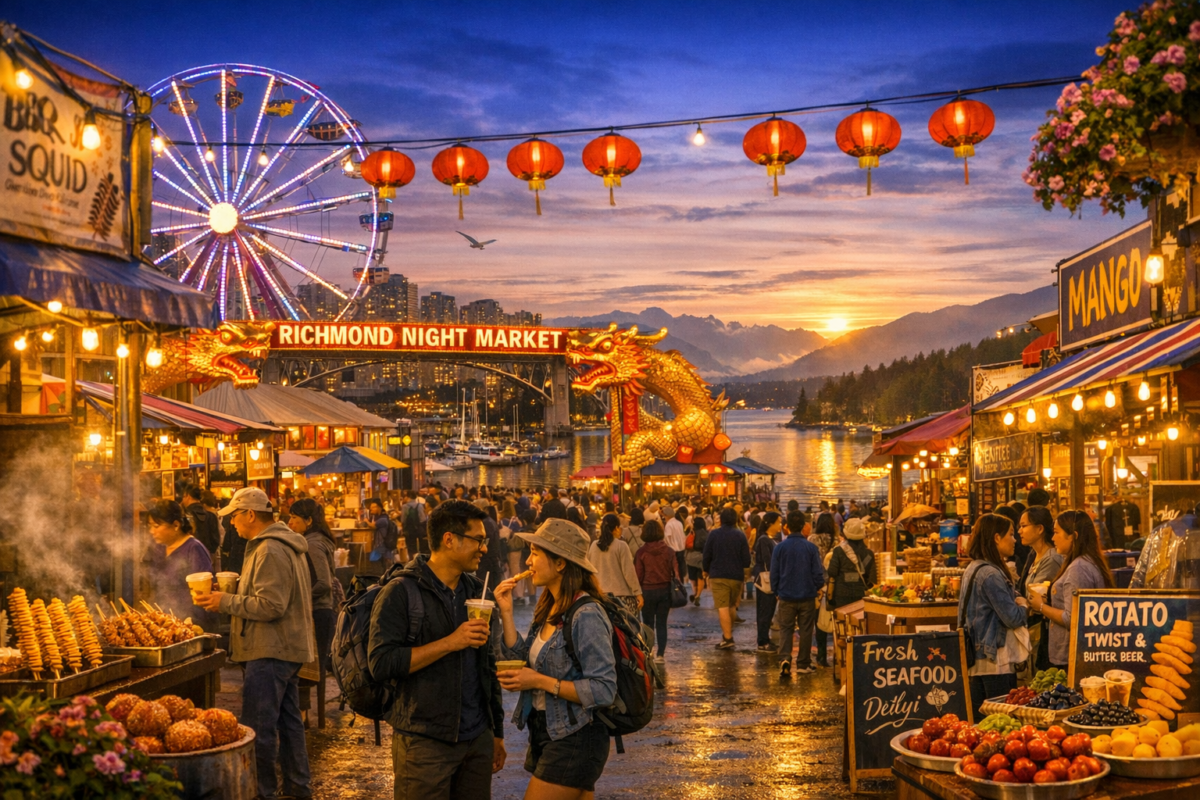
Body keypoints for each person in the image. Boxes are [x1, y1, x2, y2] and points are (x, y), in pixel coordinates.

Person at [366, 499, 506, 800]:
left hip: (476, 738)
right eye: (478, 540)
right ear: (449, 539)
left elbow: (488, 666)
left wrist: (496, 732)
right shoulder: (401, 592)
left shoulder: (475, 590)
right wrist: (450, 642)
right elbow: (381, 663)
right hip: (424, 742)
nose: (484, 548)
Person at [193, 488, 315, 800]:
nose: (230, 523)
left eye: (234, 515)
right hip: (285, 647)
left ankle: (261, 793)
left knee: (259, 729)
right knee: (289, 725)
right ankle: (298, 789)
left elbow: (271, 606)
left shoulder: (270, 549)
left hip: (270, 648)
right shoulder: (277, 544)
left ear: (250, 514)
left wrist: (225, 600)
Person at [493, 519, 617, 800]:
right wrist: (507, 613)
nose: (528, 561)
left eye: (536, 553)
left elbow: (604, 689)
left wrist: (538, 681)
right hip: (548, 732)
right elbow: (523, 660)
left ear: (560, 563)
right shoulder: (549, 605)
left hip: (577, 737)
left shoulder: (586, 614)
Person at [958, 514, 1029, 718]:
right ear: (997, 538)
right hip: (995, 661)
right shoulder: (990, 574)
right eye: (1011, 534)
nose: (1015, 540)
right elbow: (1013, 618)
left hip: (978, 659)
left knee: (982, 725)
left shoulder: (973, 568)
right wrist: (1024, 605)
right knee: (1001, 724)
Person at [1029, 510, 1116, 670]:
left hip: (1071, 655)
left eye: (1056, 533)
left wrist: (1040, 607)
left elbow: (1072, 618)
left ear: (1073, 536)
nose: (1053, 538)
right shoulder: (1085, 562)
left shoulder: (1078, 569)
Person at [145, 499, 218, 631]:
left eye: (156, 526)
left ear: (176, 525)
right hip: (162, 624)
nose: (151, 531)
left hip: (188, 625)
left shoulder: (194, 549)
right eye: (150, 526)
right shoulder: (159, 549)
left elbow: (204, 593)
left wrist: (194, 623)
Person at [770, 510, 827, 678]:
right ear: (803, 526)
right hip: (807, 595)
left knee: (786, 629)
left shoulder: (779, 547)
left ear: (786, 526)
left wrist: (776, 591)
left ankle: (785, 659)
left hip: (786, 595)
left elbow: (774, 572)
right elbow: (817, 572)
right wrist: (819, 587)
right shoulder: (810, 548)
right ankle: (803, 663)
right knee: (806, 630)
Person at [287, 498, 339, 672]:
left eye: (294, 517)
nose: (290, 522)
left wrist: (299, 596)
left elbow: (323, 583)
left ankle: (313, 700)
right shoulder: (315, 539)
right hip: (322, 609)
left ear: (309, 521)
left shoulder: (313, 544)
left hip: (318, 611)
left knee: (316, 667)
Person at [823, 517, 876, 667]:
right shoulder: (869, 554)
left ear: (846, 533)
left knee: (842, 630)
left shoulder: (839, 551)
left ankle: (843, 663)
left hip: (841, 597)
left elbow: (832, 571)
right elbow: (871, 580)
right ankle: (859, 661)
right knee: (859, 629)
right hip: (860, 598)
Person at [1015, 506, 1062, 672]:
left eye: (1024, 526)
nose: (1019, 531)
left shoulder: (1052, 559)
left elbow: (1035, 598)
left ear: (1040, 528)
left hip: (1045, 631)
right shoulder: (1033, 555)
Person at [703, 507, 751, 650]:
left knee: (722, 606)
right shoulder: (740, 535)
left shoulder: (714, 534)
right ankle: (729, 631)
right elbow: (746, 560)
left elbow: (707, 555)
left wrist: (705, 570)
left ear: (721, 519)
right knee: (731, 605)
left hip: (718, 575)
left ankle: (728, 638)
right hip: (736, 576)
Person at [635, 519, 677, 661]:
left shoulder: (641, 552)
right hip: (665, 590)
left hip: (647, 591)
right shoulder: (669, 551)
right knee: (661, 623)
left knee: (647, 623)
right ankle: (660, 655)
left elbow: (638, 575)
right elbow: (676, 573)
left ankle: (649, 650)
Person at [588, 513, 642, 616]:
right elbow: (629, 572)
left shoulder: (594, 546)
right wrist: (638, 593)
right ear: (616, 528)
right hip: (622, 597)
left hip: (600, 597)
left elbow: (590, 571)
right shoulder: (621, 546)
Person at [752, 512, 781, 654]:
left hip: (769, 579)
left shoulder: (769, 539)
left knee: (768, 611)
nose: (780, 525)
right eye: (778, 522)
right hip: (766, 580)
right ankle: (762, 641)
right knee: (765, 611)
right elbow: (767, 561)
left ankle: (764, 640)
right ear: (770, 524)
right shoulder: (764, 540)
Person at [181, 486, 222, 566]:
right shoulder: (211, 516)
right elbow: (216, 541)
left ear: (188, 496)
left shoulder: (184, 516)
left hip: (187, 560)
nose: (182, 500)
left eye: (183, 497)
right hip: (208, 559)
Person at [663, 506, 687, 597]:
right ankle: (682, 587)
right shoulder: (679, 523)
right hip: (681, 549)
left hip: (673, 550)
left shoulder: (669, 524)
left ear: (666, 515)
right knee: (680, 569)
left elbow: (667, 537)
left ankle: (675, 589)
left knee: (673, 570)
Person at [685, 516, 708, 607]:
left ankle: (694, 593)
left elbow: (686, 544)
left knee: (692, 577)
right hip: (701, 557)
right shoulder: (706, 534)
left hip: (690, 557)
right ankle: (698, 595)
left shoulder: (691, 532)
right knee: (700, 577)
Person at [368, 497, 395, 572]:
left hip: (382, 544)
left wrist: (366, 521)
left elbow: (373, 526)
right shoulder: (376, 517)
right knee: (383, 562)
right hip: (381, 545)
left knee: (374, 560)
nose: (371, 509)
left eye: (373, 507)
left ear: (379, 507)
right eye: (371, 508)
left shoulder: (382, 519)